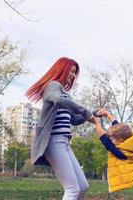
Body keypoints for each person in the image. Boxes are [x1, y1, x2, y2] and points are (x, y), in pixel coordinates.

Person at [25, 57, 95, 200]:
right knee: (72, 189)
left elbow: (74, 120)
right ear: (62, 69)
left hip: (64, 143)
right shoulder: (53, 85)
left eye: (75, 72)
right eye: (71, 71)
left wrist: (93, 114)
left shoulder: (64, 93)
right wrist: (86, 112)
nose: (73, 75)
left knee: (82, 186)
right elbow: (58, 100)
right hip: (53, 142)